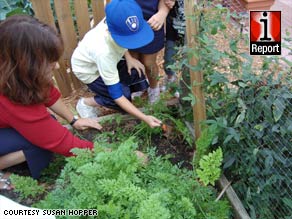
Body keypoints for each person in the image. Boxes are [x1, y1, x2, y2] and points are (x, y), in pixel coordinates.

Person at [0, 15, 103, 188]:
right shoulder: (9, 98)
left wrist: (74, 120)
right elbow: (61, 143)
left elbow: (48, 93)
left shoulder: (16, 73)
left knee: (48, 127)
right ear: (26, 64)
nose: (56, 67)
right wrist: (110, 154)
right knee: (39, 143)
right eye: (49, 62)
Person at [71, 0, 162, 128]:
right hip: (89, 70)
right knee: (121, 99)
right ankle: (86, 103)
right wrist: (144, 117)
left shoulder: (115, 20)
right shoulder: (103, 52)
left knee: (136, 71)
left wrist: (129, 59)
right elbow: (117, 96)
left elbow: (123, 39)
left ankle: (123, 90)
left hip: (106, 60)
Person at [129, 0, 171, 104]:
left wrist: (162, 12)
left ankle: (154, 89)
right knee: (134, 59)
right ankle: (140, 84)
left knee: (148, 63)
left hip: (152, 22)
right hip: (130, 23)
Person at [162, 0, 185, 95]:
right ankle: (170, 79)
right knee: (169, 58)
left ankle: (183, 87)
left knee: (188, 61)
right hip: (173, 29)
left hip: (191, 30)